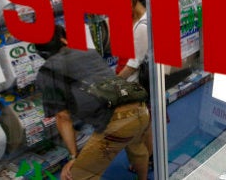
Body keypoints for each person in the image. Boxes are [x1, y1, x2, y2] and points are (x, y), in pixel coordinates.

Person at [35, 24, 150, 180]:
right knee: (137, 147)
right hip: (141, 109)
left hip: (117, 123)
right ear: (64, 39)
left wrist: (74, 157)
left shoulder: (47, 72)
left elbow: (63, 117)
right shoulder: (87, 52)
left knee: (74, 176)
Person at [115, 0, 154, 172]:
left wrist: (114, 82)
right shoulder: (140, 20)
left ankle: (144, 161)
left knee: (138, 129)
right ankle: (149, 158)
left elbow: (133, 64)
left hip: (134, 86)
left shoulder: (143, 26)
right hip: (139, 85)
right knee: (145, 125)